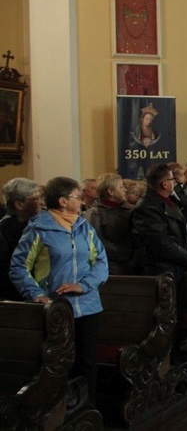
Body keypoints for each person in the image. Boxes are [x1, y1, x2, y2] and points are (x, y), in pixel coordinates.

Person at [10, 177, 109, 405]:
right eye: (77, 196)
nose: (81, 200)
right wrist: (36, 294)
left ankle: (87, 411)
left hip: (87, 306)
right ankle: (60, 412)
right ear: (63, 201)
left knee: (86, 362)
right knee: (59, 363)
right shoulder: (38, 229)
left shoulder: (85, 228)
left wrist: (83, 285)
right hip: (55, 308)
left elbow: (101, 262)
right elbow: (18, 267)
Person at [131, 164, 187, 326]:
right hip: (161, 270)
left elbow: (184, 229)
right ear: (164, 184)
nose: (175, 182)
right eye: (172, 179)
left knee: (178, 317)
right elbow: (161, 242)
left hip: (176, 270)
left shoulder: (169, 202)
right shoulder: (147, 207)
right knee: (166, 321)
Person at [83, 173, 137, 274]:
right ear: (111, 192)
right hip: (110, 266)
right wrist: (124, 253)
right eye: (121, 187)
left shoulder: (131, 210)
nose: (125, 190)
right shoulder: (96, 213)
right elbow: (97, 241)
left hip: (133, 264)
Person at [0, 178, 42, 300]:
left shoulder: (36, 225)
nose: (41, 202)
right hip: (16, 298)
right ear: (19, 204)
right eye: (35, 199)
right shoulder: (4, 231)